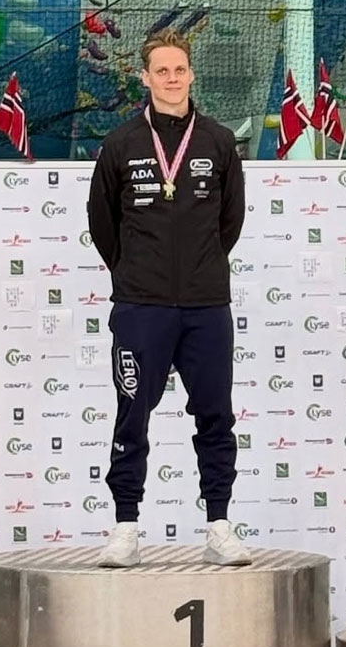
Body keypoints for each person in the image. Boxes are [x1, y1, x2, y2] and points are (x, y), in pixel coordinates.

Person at [86, 28, 249, 567]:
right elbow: (103, 223)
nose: (172, 79)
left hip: (206, 306)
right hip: (142, 306)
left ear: (191, 74)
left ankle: (219, 525)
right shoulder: (121, 143)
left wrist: (200, 269)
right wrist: (136, 272)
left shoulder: (219, 141)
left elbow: (230, 222)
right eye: (162, 70)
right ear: (145, 77)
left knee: (216, 415)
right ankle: (125, 527)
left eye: (179, 69)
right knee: (132, 414)